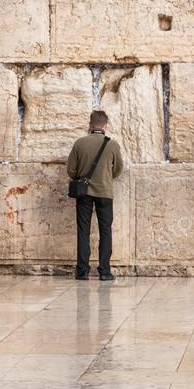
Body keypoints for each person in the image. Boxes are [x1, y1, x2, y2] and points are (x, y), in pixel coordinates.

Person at [67, 110, 124, 281]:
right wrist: (106, 177)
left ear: (90, 124)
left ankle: (82, 271)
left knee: (83, 231)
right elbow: (118, 169)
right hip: (105, 192)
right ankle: (105, 272)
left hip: (84, 193)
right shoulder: (112, 145)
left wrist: (82, 177)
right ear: (105, 125)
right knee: (105, 231)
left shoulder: (80, 143)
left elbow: (71, 170)